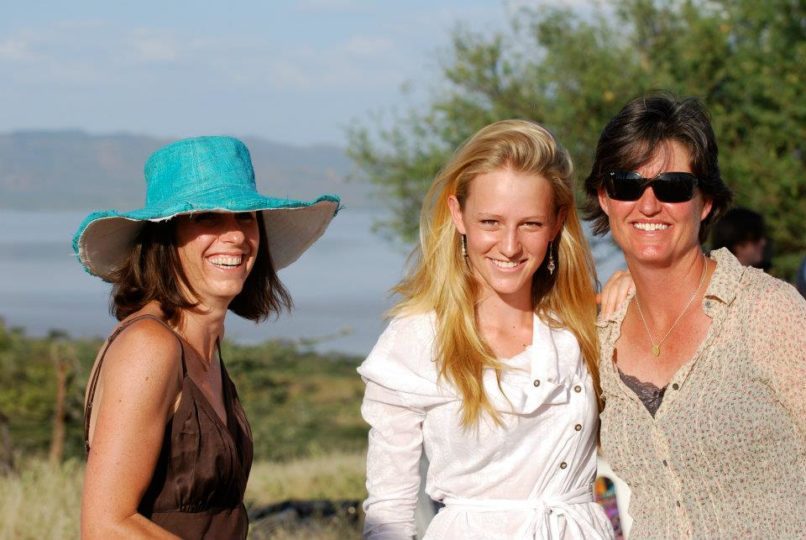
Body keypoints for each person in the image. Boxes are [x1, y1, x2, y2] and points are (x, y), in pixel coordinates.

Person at [359, 120, 614, 539]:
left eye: (530, 224)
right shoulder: (416, 339)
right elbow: (389, 513)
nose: (510, 246)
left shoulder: (584, 327)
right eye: (491, 222)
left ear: (556, 223)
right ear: (458, 215)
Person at [75, 136, 339, 538]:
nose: (234, 235)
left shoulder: (203, 349)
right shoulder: (149, 346)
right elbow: (106, 525)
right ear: (165, 238)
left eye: (246, 217)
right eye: (207, 218)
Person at [583, 92, 806, 538]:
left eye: (673, 186)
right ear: (606, 198)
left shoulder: (765, 312)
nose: (648, 205)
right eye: (627, 184)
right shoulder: (600, 336)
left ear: (705, 202)